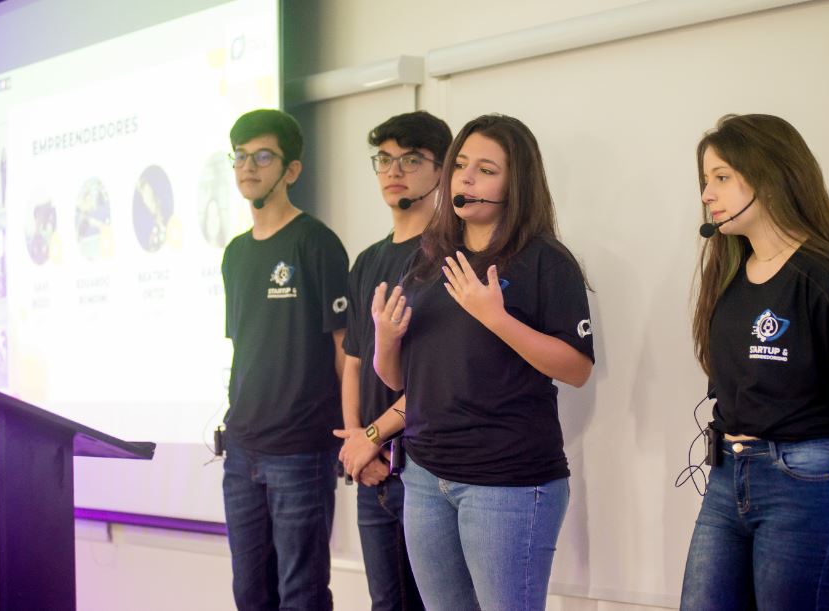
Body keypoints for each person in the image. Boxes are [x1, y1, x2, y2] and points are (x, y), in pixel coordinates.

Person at [368, 114, 595, 611]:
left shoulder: (545, 261)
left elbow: (577, 369)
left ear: (517, 184)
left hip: (508, 483)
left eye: (485, 169)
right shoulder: (429, 259)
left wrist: (497, 319)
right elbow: (403, 380)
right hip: (426, 476)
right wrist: (386, 339)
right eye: (460, 166)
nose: (465, 179)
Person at [681, 114, 829, 610]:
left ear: (770, 175)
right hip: (729, 475)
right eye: (705, 181)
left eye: (722, 177)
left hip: (806, 480)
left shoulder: (824, 275)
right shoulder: (729, 274)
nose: (708, 194)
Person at [221, 108, 349, 610]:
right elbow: (244, 348)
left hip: (301, 448)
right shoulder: (234, 254)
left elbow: (345, 349)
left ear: (291, 170)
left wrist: (350, 432)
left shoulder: (315, 243)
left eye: (263, 156)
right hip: (242, 450)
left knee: (301, 594)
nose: (248, 166)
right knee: (250, 594)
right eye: (240, 156)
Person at [334, 111, 451, 610]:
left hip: (424, 471)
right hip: (371, 469)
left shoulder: (447, 255)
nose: (392, 170)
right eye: (383, 159)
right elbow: (353, 362)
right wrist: (358, 443)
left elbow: (436, 378)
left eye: (410, 159)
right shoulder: (368, 260)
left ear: (441, 169)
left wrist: (373, 439)